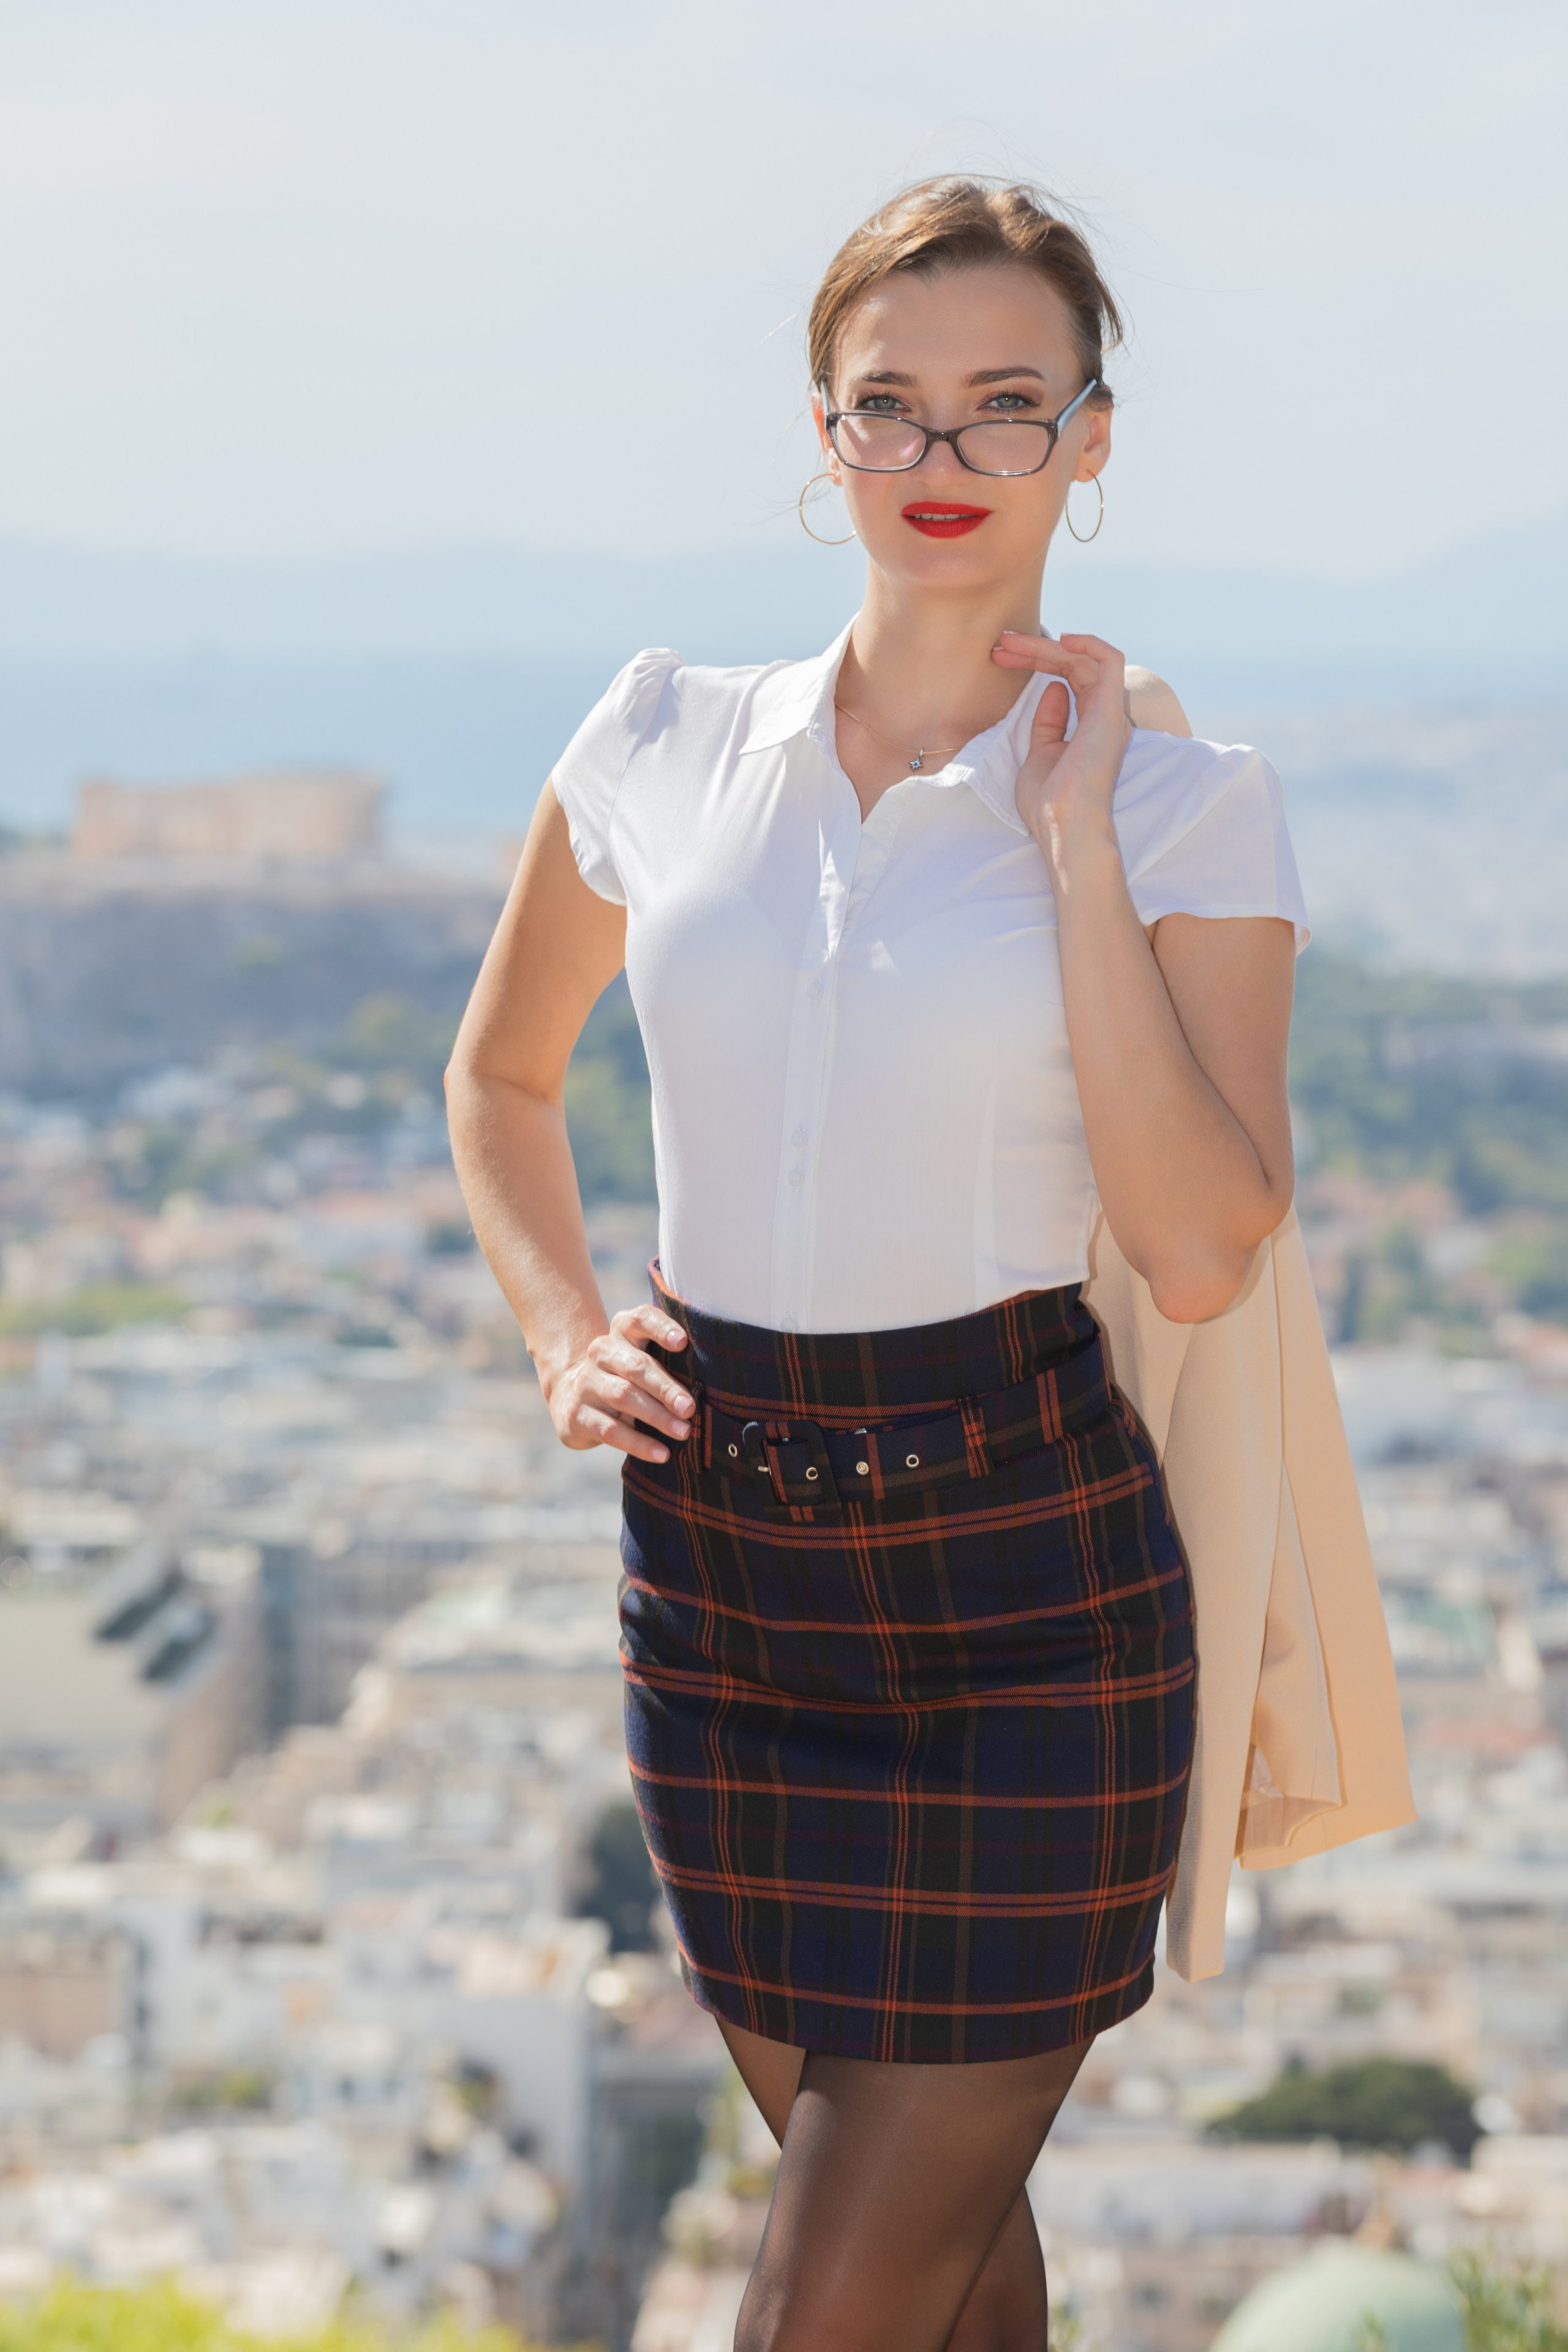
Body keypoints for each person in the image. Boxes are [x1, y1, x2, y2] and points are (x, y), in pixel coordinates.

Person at [447, 176, 1306, 2352]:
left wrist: (1074, 843)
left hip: (1034, 1582)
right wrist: (563, 1335)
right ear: (822, 433)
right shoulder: (658, 742)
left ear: (1093, 441)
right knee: (943, 2268)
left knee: (825, 2303)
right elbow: (501, 1079)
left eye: (1007, 408)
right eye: (892, 409)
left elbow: (1204, 1247)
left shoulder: (1192, 809)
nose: (945, 463)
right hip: (723, 1585)